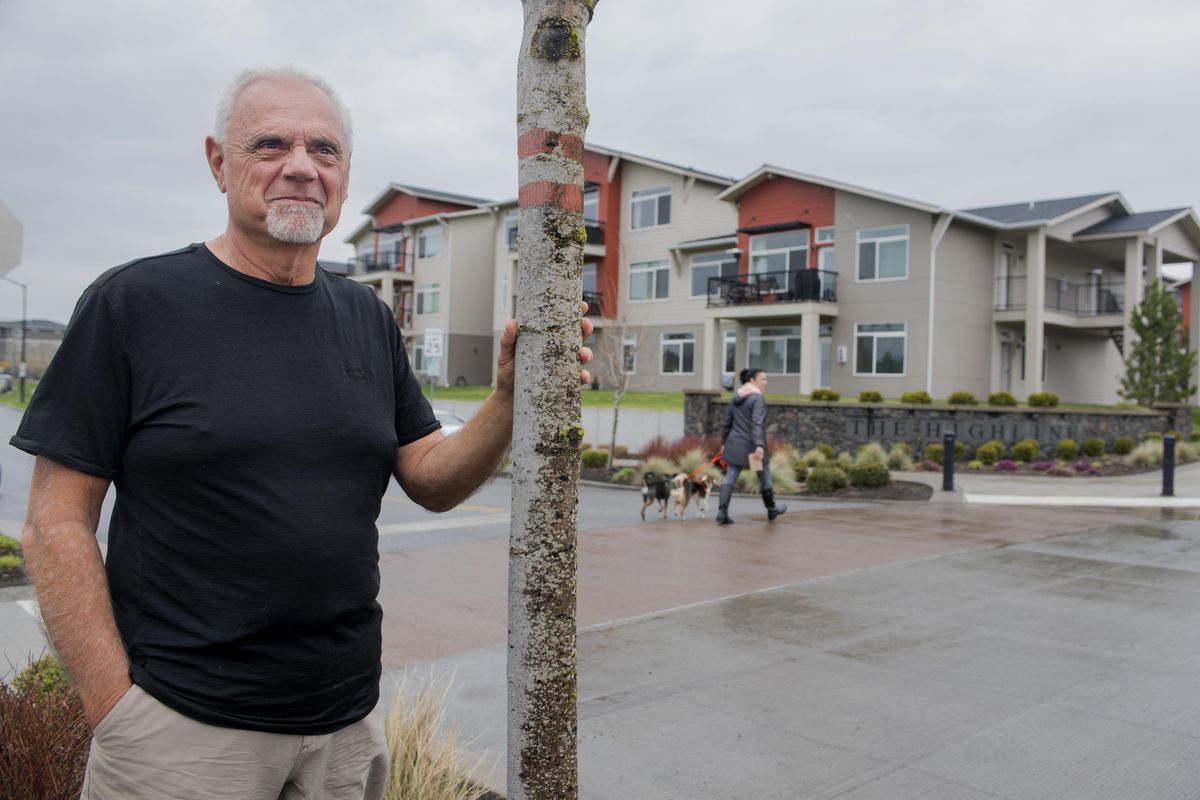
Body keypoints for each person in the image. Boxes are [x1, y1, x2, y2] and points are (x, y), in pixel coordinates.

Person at [13, 66, 591, 799]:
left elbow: (430, 477)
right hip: (182, 732)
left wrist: (507, 400)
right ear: (218, 163)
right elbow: (53, 521)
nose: (301, 167)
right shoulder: (135, 305)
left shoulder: (366, 318)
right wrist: (114, 708)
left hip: (343, 730)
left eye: (324, 150)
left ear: (345, 175)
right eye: (270, 145)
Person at [715, 367, 787, 525]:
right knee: (764, 478)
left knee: (730, 477)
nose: (765, 382)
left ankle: (722, 512)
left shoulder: (737, 397)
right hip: (753, 448)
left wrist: (724, 444)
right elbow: (757, 423)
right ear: (752, 381)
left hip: (735, 445)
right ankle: (771, 509)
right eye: (763, 379)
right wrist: (759, 445)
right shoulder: (757, 398)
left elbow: (727, 423)